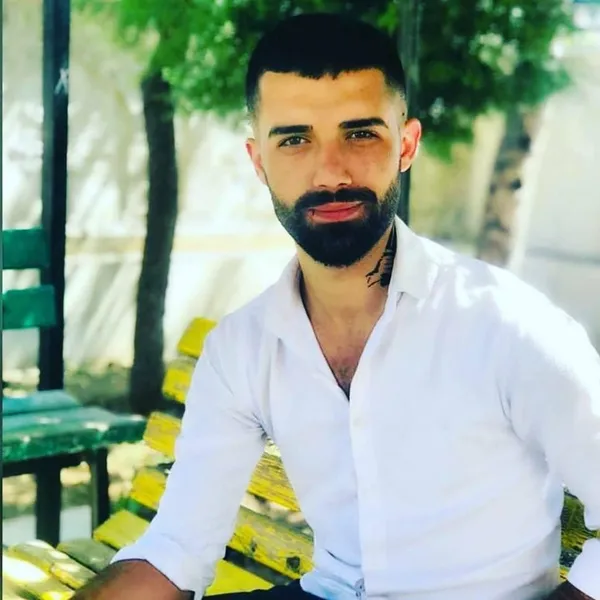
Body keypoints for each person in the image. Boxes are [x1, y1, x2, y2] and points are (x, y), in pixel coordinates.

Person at [74, 12, 599, 600]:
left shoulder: (509, 329)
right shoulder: (243, 348)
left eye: (361, 134)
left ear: (406, 145)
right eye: (294, 140)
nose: (330, 172)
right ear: (258, 161)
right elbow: (177, 547)